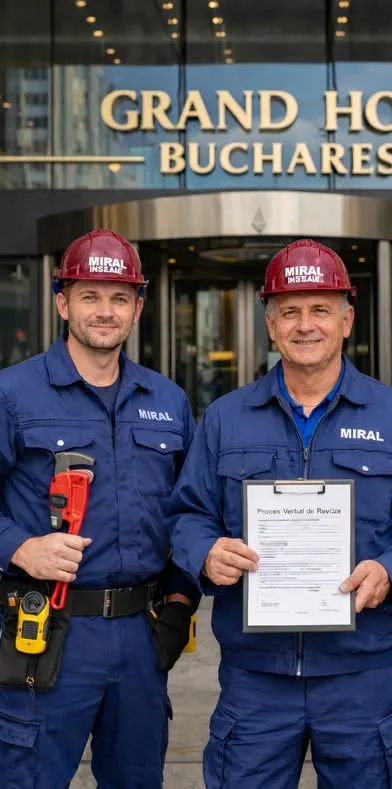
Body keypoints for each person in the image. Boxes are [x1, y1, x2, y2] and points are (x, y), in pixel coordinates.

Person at [170, 239, 392, 789]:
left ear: (347, 319)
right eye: (290, 311)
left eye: (320, 310)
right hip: (256, 677)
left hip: (363, 674)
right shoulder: (224, 418)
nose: (305, 325)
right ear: (270, 324)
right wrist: (205, 552)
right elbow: (187, 514)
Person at [0, 229, 199, 788]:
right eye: (90, 296)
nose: (104, 311)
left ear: (138, 306)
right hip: (47, 635)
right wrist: (21, 546)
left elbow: (192, 512)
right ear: (63, 302)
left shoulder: (168, 401)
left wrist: (181, 602)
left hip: (141, 635)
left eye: (118, 297)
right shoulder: (13, 395)